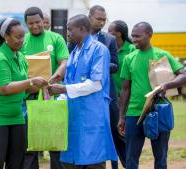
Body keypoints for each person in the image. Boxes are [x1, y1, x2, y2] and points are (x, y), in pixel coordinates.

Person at [48, 14, 118, 169]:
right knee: (70, 161)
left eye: (69, 29)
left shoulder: (99, 50)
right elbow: (70, 85)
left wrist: (64, 88)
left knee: (93, 160)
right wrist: (54, 99)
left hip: (92, 117)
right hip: (74, 116)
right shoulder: (74, 53)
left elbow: (95, 84)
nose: (67, 33)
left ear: (82, 29)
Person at [0, 18, 48, 169]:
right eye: (18, 37)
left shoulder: (20, 57)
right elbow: (4, 88)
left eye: (23, 36)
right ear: (6, 37)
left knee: (17, 161)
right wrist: (31, 81)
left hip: (16, 116)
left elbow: (25, 88)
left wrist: (43, 86)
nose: (22, 40)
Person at [118, 22, 186, 169]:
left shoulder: (162, 55)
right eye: (133, 36)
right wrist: (122, 116)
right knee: (131, 158)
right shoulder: (129, 58)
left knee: (160, 157)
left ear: (149, 35)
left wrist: (166, 85)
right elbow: (125, 90)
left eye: (138, 36)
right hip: (134, 113)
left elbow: (183, 75)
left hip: (158, 111)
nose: (134, 39)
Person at [21, 7, 69, 169]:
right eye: (30, 23)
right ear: (26, 24)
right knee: (30, 145)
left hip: (53, 97)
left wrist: (55, 77)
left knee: (56, 146)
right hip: (29, 99)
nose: (34, 26)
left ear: (44, 21)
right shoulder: (23, 41)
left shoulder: (56, 38)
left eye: (37, 22)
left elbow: (64, 62)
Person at [88, 5, 120, 169]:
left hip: (106, 92)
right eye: (98, 19)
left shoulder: (109, 39)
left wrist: (98, 65)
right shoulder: (77, 37)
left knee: (113, 131)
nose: (101, 22)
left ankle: (115, 165)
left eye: (103, 20)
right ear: (89, 17)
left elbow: (115, 66)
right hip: (85, 95)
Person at [107, 20, 136, 168]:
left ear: (118, 33)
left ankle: (127, 164)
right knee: (112, 135)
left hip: (126, 99)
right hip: (111, 98)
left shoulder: (131, 49)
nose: (107, 33)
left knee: (122, 135)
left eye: (110, 31)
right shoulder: (107, 48)